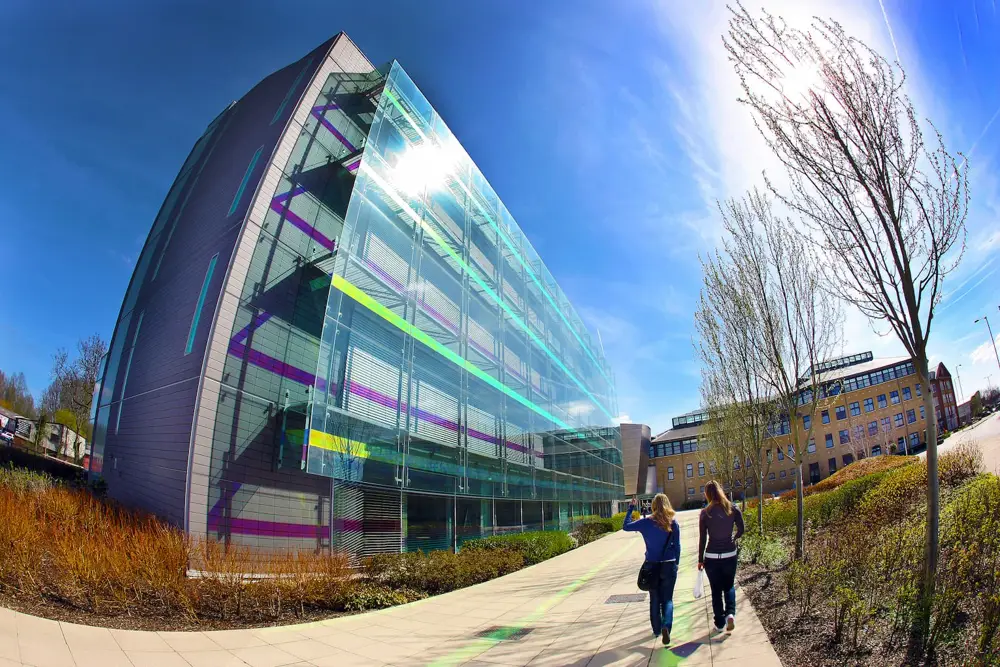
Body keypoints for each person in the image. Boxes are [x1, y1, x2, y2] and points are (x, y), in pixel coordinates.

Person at [623, 493, 680, 645]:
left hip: (652, 565)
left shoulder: (646, 522)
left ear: (653, 506)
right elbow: (678, 545)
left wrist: (631, 508)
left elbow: (626, 526)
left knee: (654, 598)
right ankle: (666, 626)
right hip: (669, 564)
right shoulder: (673, 522)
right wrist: (677, 562)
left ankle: (656, 630)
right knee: (667, 599)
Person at [697, 480, 745, 633]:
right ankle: (730, 614)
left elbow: (702, 538)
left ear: (707, 494)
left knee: (716, 590)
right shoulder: (733, 508)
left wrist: (700, 559)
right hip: (729, 554)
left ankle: (719, 623)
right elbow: (741, 529)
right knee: (729, 586)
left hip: (711, 556)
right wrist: (734, 538)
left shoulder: (705, 513)